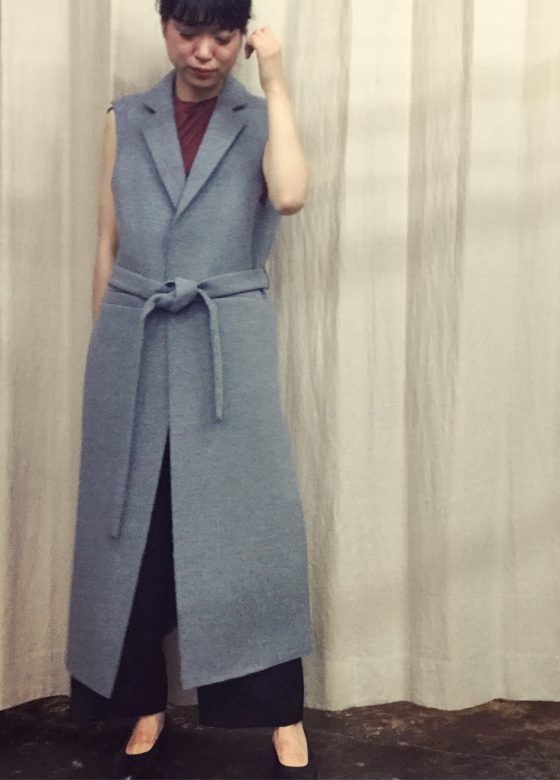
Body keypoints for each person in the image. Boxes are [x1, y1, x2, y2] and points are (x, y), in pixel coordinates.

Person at [65, 1, 317, 777]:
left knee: (247, 528)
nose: (204, 51)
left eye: (223, 36)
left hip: (224, 340)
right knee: (134, 529)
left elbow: (289, 195)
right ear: (164, 28)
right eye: (188, 32)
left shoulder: (260, 116)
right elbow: (109, 239)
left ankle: (277, 710)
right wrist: (104, 345)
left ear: (244, 38)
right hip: (134, 335)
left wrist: (276, 81)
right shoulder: (127, 117)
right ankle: (141, 700)